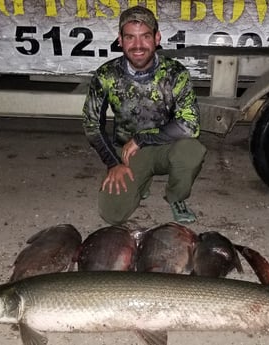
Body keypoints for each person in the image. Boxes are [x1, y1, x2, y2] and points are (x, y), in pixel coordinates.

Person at [82, 5, 206, 225]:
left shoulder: (175, 73)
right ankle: (141, 181)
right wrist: (113, 163)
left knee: (192, 150)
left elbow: (190, 125)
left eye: (145, 36)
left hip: (165, 147)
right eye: (130, 37)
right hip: (128, 154)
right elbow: (92, 124)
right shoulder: (106, 75)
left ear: (157, 38)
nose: (138, 45)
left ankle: (176, 197)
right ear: (120, 40)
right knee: (112, 213)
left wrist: (142, 138)